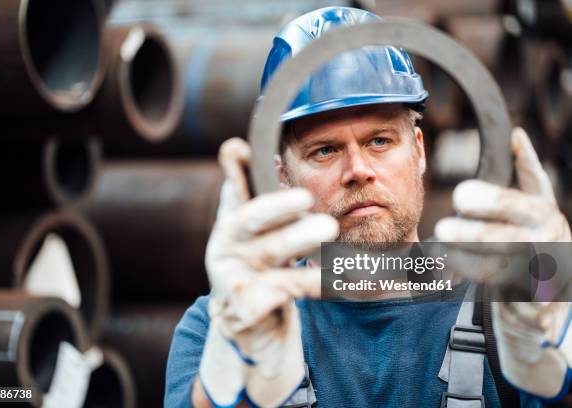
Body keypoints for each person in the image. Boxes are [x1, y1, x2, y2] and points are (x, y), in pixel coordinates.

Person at [164, 7, 572, 408]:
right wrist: (237, 388)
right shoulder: (223, 326)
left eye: (379, 141)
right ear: (282, 175)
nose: (358, 171)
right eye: (325, 150)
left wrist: (557, 306)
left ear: (418, 150)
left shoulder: (512, 306)